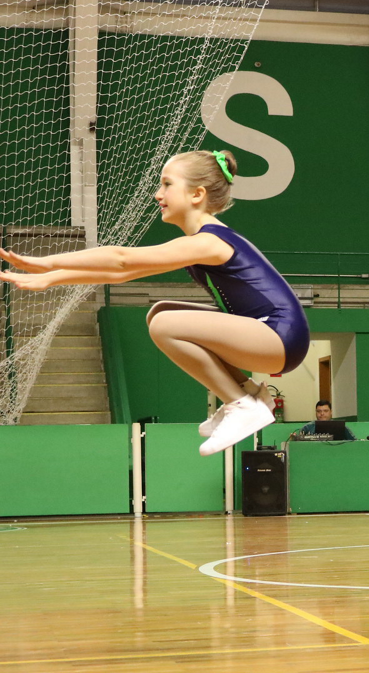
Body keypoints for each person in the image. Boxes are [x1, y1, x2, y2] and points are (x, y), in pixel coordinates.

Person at [0, 149, 309, 456]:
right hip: (273, 335)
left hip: (279, 336)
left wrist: (47, 262)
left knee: (164, 325)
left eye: (167, 184)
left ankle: (240, 405)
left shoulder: (209, 241)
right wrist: (52, 278)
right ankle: (250, 394)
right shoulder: (201, 241)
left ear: (197, 194)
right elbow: (123, 273)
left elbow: (121, 259)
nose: (158, 194)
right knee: (159, 312)